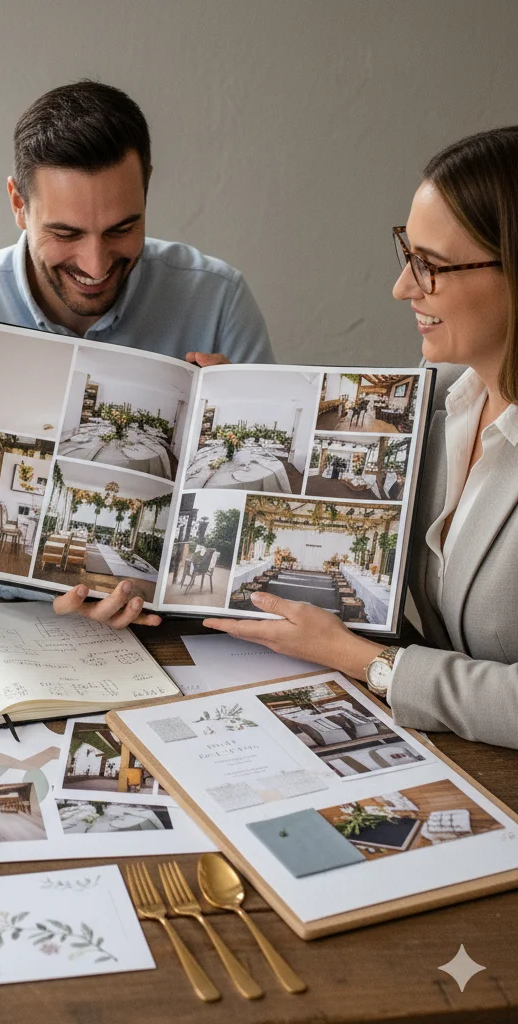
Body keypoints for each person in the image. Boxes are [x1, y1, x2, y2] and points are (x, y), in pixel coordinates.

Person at [0, 80, 273, 629]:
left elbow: (257, 525)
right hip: (7, 623)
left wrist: (252, 410)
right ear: (18, 204)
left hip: (178, 630)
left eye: (122, 228)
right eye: (66, 233)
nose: (95, 265)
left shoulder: (219, 300)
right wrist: (49, 585)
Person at [207, 125, 518, 749]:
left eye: (430, 266)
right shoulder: (440, 393)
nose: (403, 287)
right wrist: (241, 399)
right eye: (408, 253)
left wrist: (366, 661)